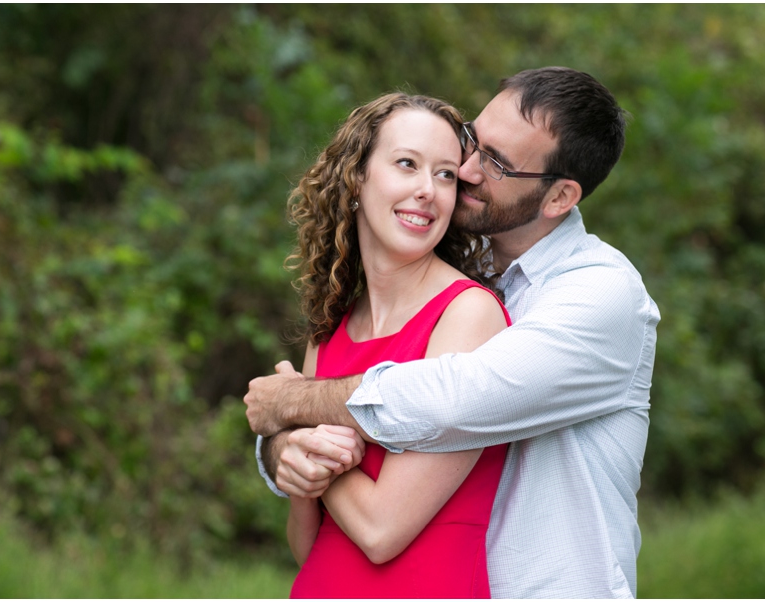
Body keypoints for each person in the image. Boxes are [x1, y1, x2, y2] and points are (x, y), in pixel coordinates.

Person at [246, 67, 661, 599]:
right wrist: (281, 444)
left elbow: (452, 400)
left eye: (495, 162)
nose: (464, 170)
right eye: (472, 140)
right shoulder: (459, 268)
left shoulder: (601, 297)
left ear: (559, 198)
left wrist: (292, 404)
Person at [280, 92, 512, 598]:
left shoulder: (469, 315)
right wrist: (296, 461)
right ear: (357, 178)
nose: (427, 190)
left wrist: (295, 423)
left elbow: (381, 531)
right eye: (407, 164)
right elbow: (309, 545)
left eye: (446, 174)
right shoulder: (329, 331)